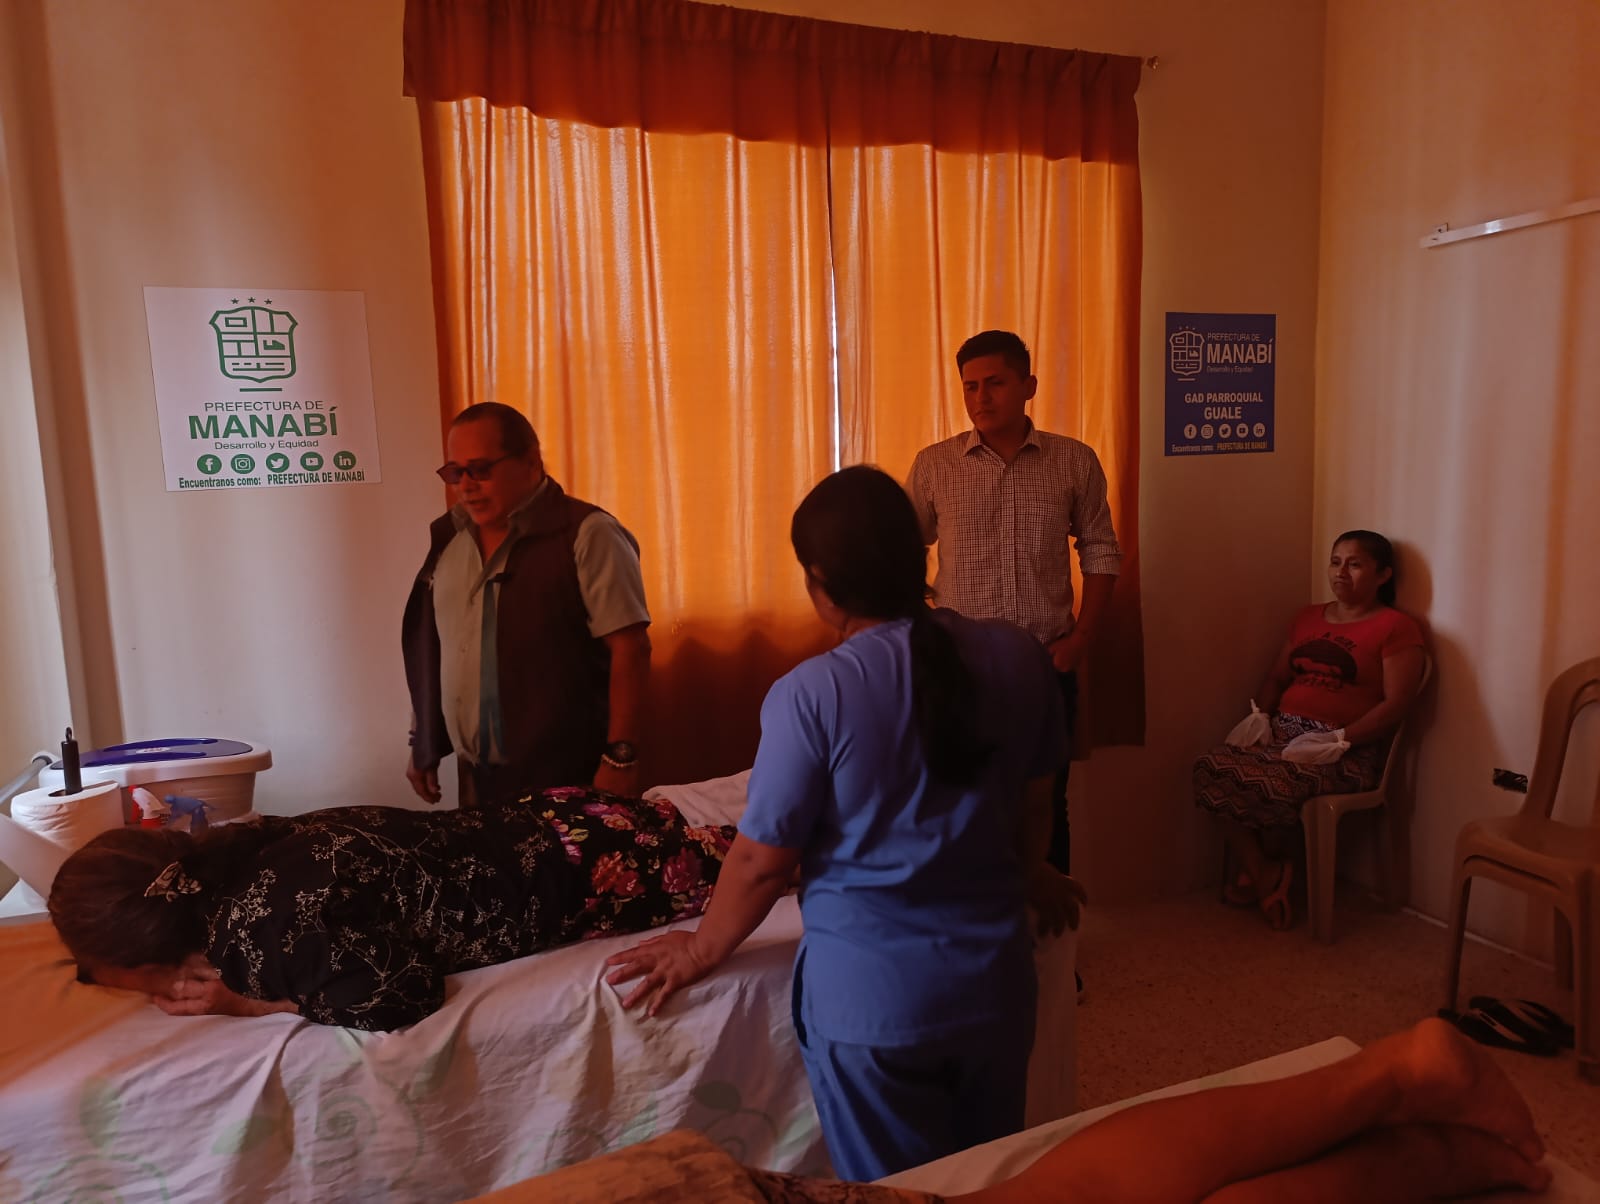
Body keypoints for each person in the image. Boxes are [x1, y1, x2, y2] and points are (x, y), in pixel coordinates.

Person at [605, 465, 1083, 1182]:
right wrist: (1031, 872)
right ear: (918, 554)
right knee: (985, 1180)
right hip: (995, 987)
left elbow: (762, 862)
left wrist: (701, 950)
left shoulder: (812, 693)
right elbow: (1035, 800)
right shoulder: (1017, 654)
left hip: (876, 1010)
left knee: (898, 1192)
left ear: (820, 581)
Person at [494, 1017, 1550, 1203]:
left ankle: (1404, 1094)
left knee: (1064, 1196)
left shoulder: (817, 694)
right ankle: (1417, 1126)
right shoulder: (988, 657)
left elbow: (768, 852)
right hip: (649, 1191)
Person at [47, 789, 736, 1030]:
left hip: (593, 874)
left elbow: (406, 994)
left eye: (98, 963)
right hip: (566, 816)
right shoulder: (239, 847)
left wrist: (252, 1005)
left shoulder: (254, 945)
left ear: (145, 951)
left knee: (776, 855)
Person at [905, 330, 1121, 880]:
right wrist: (923, 635)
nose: (981, 397)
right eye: (970, 386)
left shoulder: (1073, 461)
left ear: (1028, 385)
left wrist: (1081, 640)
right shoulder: (934, 465)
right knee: (960, 803)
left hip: (1045, 661)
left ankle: (1048, 930)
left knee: (1045, 808)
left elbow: (1101, 549)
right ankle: (974, 923)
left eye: (995, 383)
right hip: (959, 668)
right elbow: (903, 552)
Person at [402, 402, 652, 807]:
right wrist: (423, 739)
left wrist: (621, 758)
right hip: (475, 776)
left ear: (531, 462)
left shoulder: (588, 534)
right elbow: (436, 645)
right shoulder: (450, 536)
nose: (466, 485)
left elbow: (631, 648)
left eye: (480, 469)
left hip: (568, 775)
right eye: (455, 472)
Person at [1194, 529, 1426, 930]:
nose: (1341, 573)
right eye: (1336, 562)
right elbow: (1276, 676)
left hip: (1344, 750)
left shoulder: (1395, 627)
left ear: (1383, 574)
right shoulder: (1307, 617)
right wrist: (1260, 717)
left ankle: (1261, 873)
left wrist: (1340, 739)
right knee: (1212, 767)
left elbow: (1396, 704)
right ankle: (1265, 870)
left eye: (1354, 564)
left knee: (1273, 783)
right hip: (1282, 736)